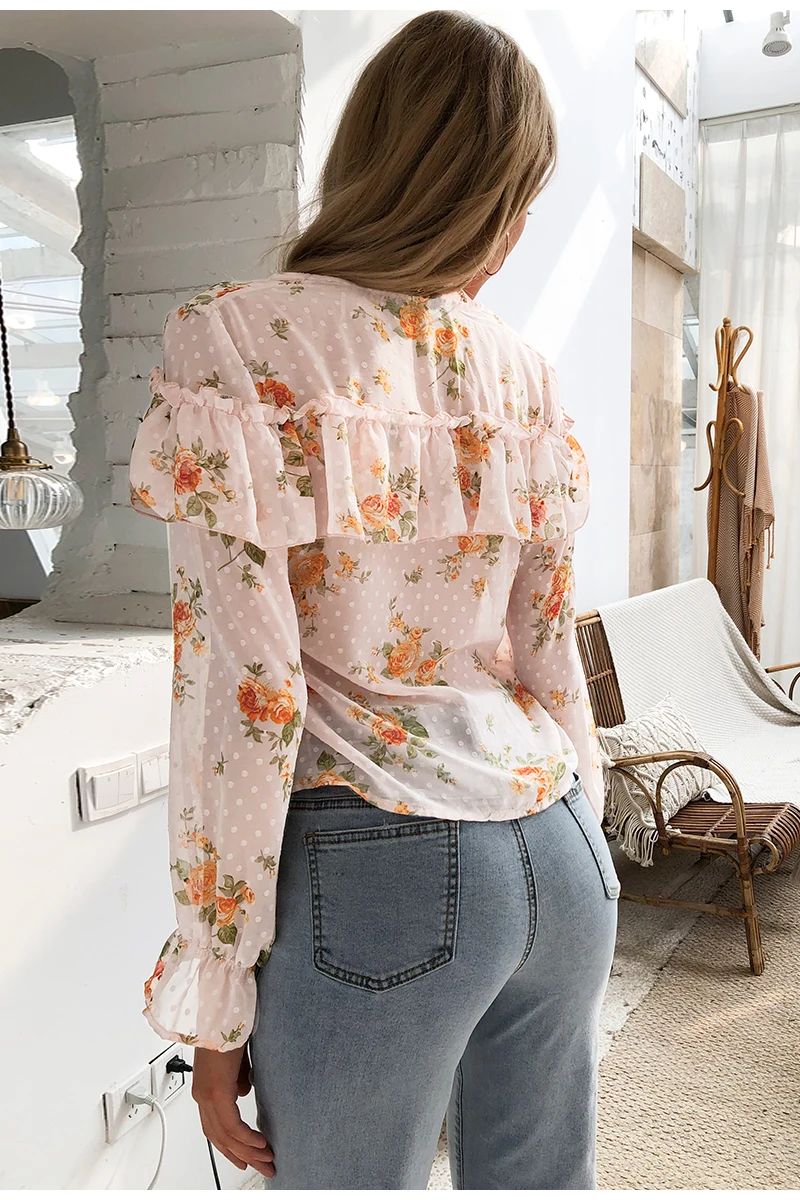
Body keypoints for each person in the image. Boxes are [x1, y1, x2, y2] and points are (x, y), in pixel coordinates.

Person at [129, 9, 619, 1190]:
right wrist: (586, 830)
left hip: (377, 871)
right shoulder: (521, 373)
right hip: (557, 849)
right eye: (507, 202)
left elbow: (247, 696)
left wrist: (216, 997)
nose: (508, 239)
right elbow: (548, 651)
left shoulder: (237, 342)